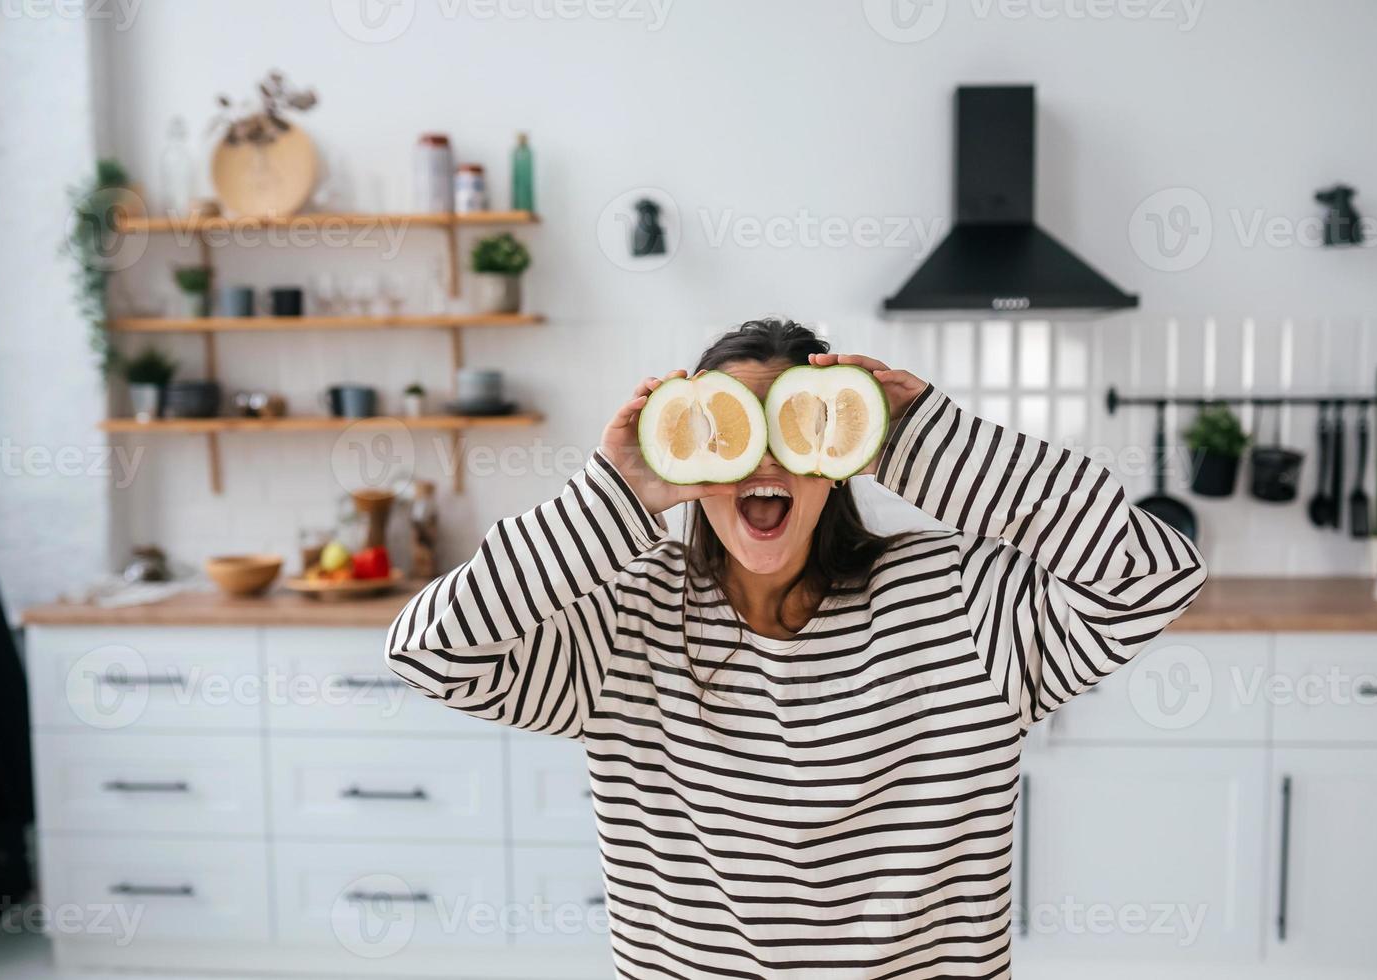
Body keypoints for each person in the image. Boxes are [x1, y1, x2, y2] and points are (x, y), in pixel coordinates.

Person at [385, 317, 1207, 979]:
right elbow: (429, 652)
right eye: (729, 437)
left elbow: (1154, 575)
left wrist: (925, 441)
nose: (762, 463)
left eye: (792, 432)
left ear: (842, 457)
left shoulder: (963, 604)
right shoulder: (621, 619)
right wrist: (617, 493)